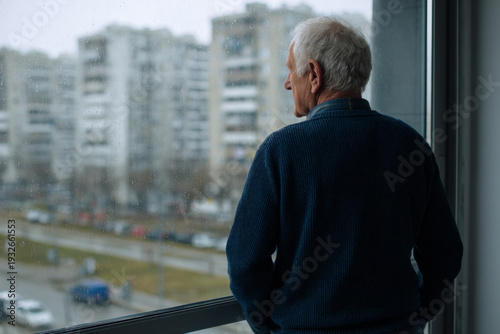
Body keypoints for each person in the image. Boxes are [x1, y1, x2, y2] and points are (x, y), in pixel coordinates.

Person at [226, 17, 463, 334]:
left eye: (290, 69)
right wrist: (417, 313)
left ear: (314, 74)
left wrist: (267, 324)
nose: (286, 82)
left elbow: (245, 261)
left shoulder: (280, 151)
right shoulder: (410, 144)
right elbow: (445, 251)